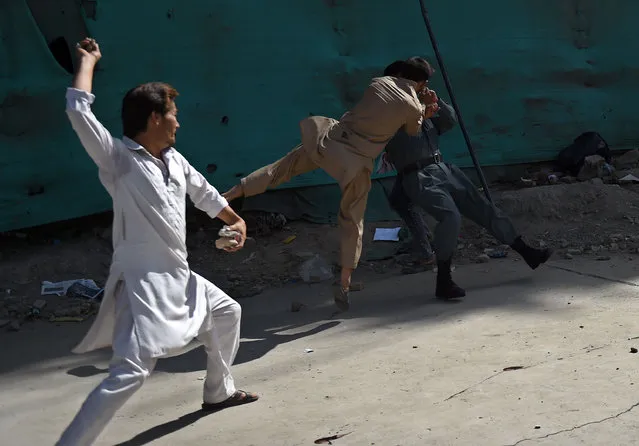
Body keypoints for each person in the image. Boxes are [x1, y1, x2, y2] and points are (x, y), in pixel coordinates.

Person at [57, 38, 258, 446]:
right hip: (142, 283)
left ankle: (218, 392)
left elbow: (205, 195)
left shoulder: (173, 159)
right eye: (173, 115)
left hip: (179, 275)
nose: (178, 123)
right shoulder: (119, 159)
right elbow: (78, 110)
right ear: (153, 117)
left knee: (227, 312)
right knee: (130, 372)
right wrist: (87, 61)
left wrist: (234, 220)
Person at [222, 58, 437, 311]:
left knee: (280, 168)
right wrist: (425, 109)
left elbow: (383, 103)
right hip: (355, 162)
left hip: (328, 140)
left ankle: (226, 196)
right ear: (422, 82)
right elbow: (413, 130)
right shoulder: (412, 105)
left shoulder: (378, 82)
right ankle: (344, 282)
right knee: (352, 218)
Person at [384, 57, 552, 299]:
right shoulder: (389, 111)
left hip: (443, 168)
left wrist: (436, 103)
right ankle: (444, 280)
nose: (417, 85)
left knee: (484, 208)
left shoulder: (423, 103)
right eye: (410, 80)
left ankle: (527, 252)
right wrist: (420, 108)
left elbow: (449, 122)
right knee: (450, 217)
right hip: (419, 175)